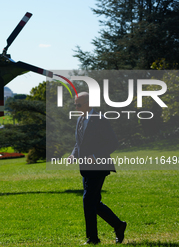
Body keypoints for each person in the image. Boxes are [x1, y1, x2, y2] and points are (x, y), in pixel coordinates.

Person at [68, 92, 127, 244]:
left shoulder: (100, 120)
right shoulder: (80, 120)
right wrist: (73, 155)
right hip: (85, 168)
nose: (76, 107)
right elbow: (78, 143)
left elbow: (113, 143)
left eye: (79, 104)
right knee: (94, 202)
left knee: (88, 200)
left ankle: (93, 238)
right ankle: (119, 225)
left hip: (99, 166)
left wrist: (95, 156)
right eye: (75, 104)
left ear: (89, 103)